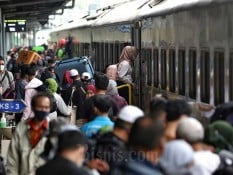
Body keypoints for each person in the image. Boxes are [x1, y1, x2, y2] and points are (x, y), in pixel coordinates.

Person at [7, 92, 53, 175]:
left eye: (46, 107)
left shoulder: (54, 130)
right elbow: (12, 160)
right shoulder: (21, 128)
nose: (43, 110)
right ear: (33, 107)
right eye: (40, 107)